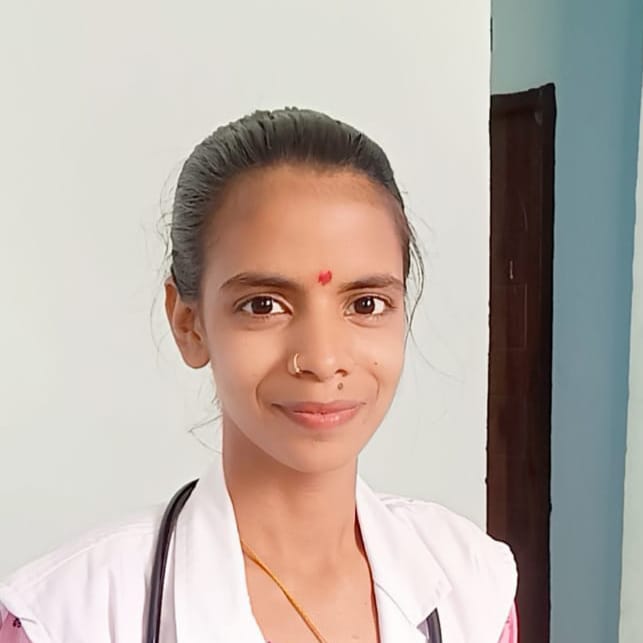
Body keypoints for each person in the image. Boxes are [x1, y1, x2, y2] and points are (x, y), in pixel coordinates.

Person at [0, 108, 518, 642]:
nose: (322, 359)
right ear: (189, 324)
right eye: (263, 305)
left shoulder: (475, 588)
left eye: (366, 303)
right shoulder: (64, 617)